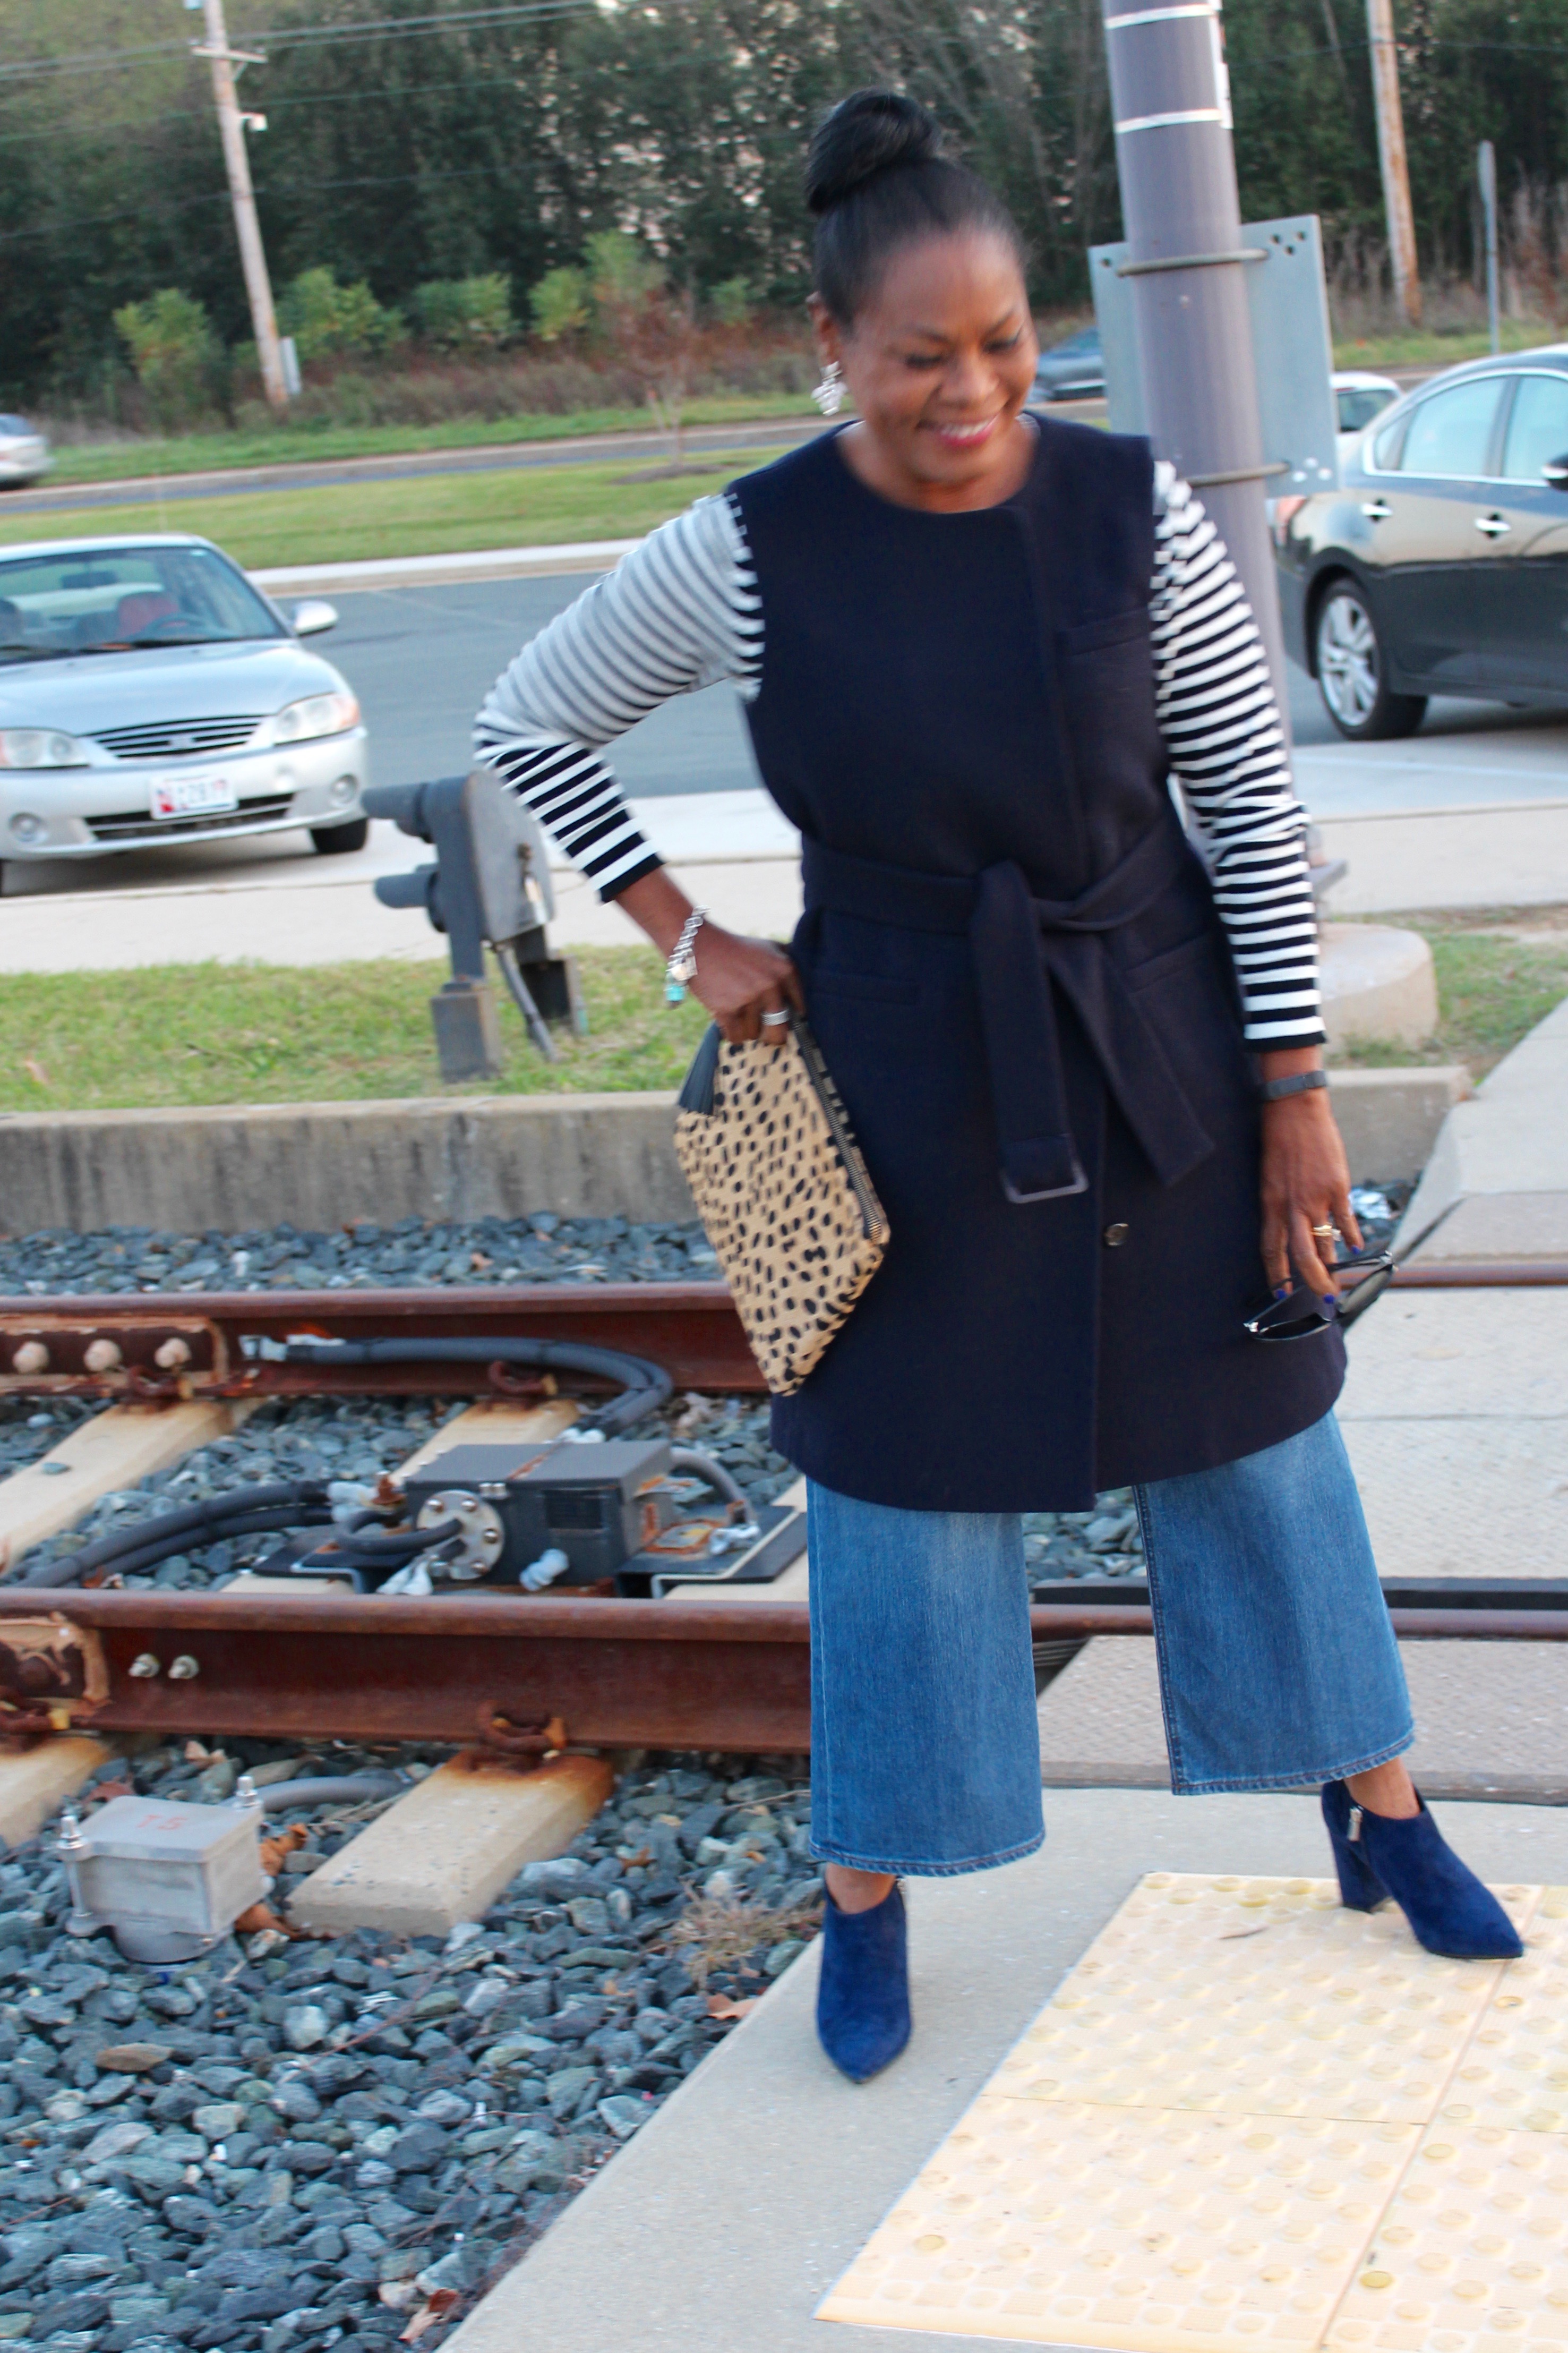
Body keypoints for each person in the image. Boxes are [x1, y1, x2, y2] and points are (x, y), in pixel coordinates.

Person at [476, 89, 1520, 2084]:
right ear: (837, 355)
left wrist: (1294, 1081)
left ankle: (1376, 1810)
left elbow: (1241, 792)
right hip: (887, 1069)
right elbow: (531, 720)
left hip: (1154, 1039)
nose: (971, 392)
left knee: (1257, 1435)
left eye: (1005, 347)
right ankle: (870, 1889)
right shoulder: (753, 546)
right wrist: (687, 933)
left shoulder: (1126, 515)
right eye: (919, 357)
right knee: (894, 1487)